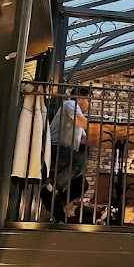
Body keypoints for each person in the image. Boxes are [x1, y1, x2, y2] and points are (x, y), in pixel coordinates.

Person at [42, 86, 90, 222]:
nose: (89, 104)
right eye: (88, 100)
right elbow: (82, 122)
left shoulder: (79, 115)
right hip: (55, 149)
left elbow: (84, 139)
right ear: (80, 99)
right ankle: (48, 190)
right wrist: (101, 125)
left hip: (66, 154)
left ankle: (57, 202)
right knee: (78, 162)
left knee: (82, 184)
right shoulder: (71, 104)